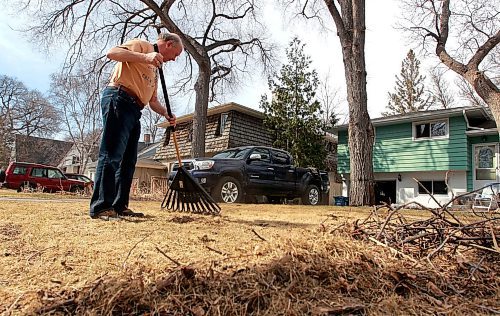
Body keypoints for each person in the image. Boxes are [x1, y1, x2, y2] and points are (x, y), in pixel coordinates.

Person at [90, 32, 183, 219]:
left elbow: (153, 100)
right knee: (112, 154)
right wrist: (144, 56)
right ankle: (101, 207)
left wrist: (166, 113)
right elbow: (112, 53)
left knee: (128, 161)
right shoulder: (142, 46)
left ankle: (119, 205)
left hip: (135, 109)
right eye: (176, 54)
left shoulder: (156, 69)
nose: (174, 60)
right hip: (119, 98)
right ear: (169, 44)